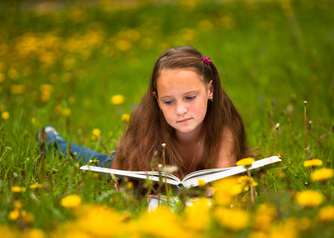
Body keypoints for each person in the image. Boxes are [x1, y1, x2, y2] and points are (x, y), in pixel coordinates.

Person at [38, 46, 249, 180]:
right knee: (90, 159)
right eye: (168, 101)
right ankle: (53, 141)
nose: (180, 110)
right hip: (126, 164)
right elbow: (122, 181)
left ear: (210, 90)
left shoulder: (225, 127)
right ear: (157, 100)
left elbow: (224, 184)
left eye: (190, 97)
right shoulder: (148, 123)